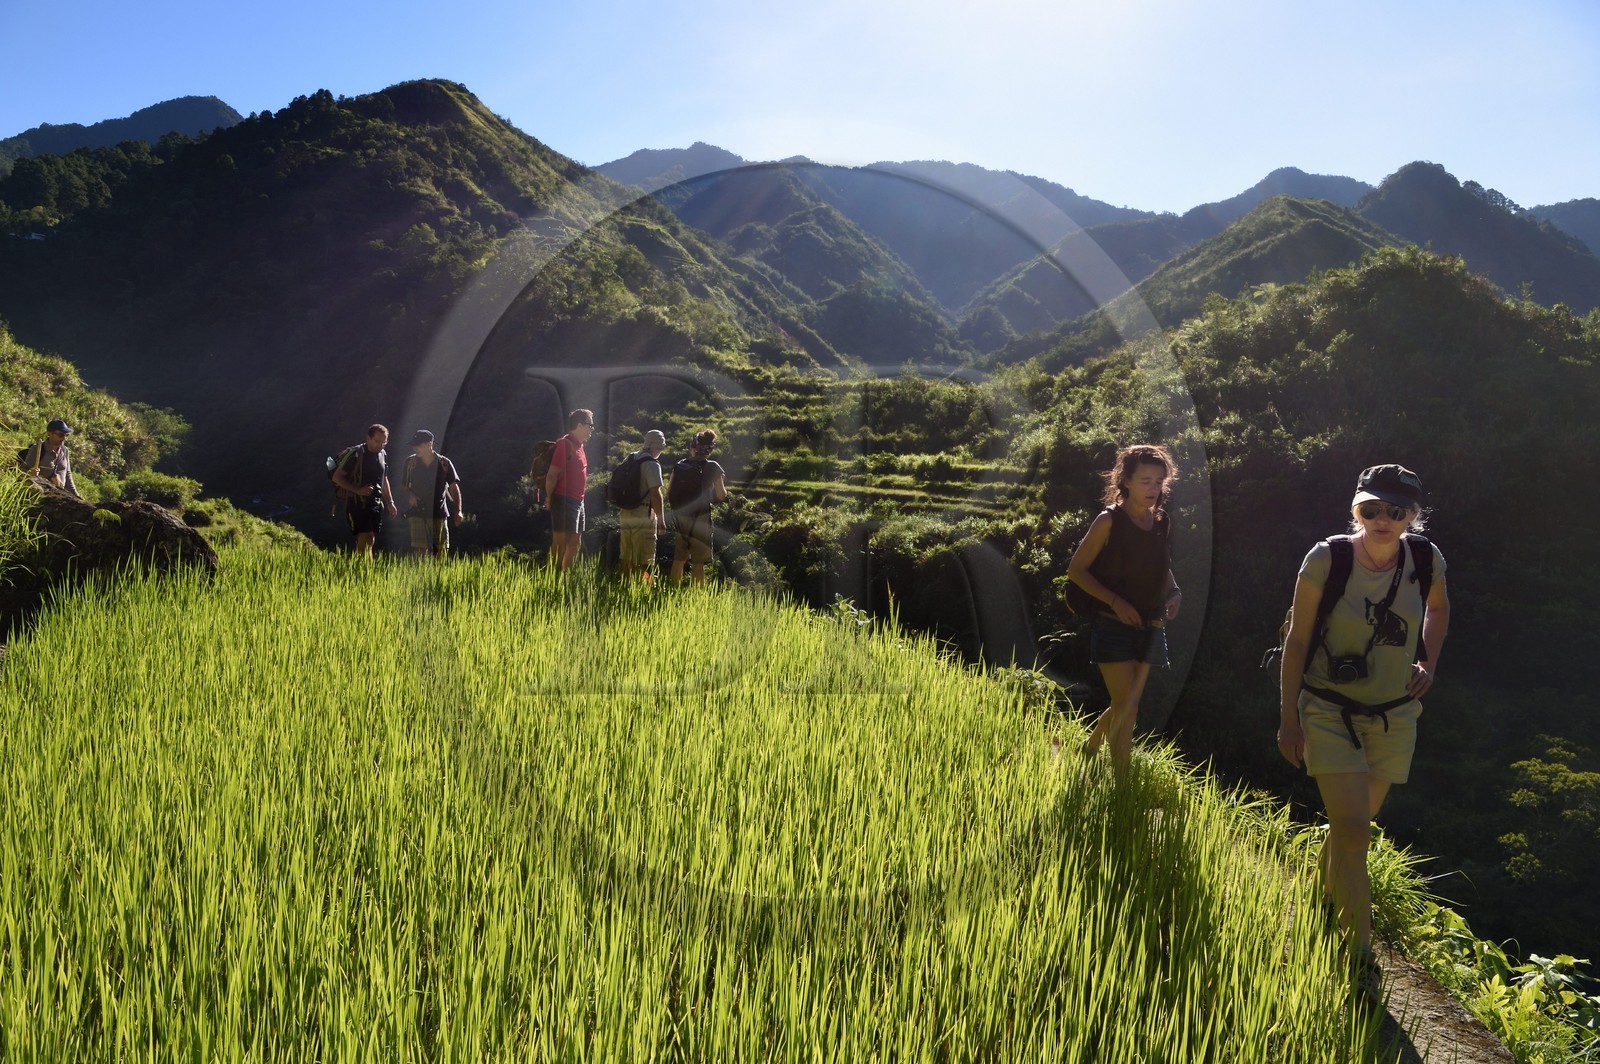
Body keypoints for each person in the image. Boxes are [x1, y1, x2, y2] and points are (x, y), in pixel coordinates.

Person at [1275, 463, 1450, 1006]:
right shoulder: (1327, 559)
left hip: (1395, 713)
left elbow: (1439, 609)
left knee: (1351, 828)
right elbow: (1297, 640)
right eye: (1371, 508)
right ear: (1356, 509)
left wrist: (1428, 662)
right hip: (1329, 708)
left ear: (1412, 516)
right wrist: (1289, 719)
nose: (1382, 519)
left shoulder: (1426, 559)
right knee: (1354, 834)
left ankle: (1319, 903)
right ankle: (1359, 960)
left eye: (1396, 511)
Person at [1065, 444, 1182, 780]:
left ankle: (1090, 748)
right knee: (1128, 708)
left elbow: (1161, 566)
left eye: (1159, 482)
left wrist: (1174, 592)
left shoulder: (1160, 521)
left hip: (1150, 626)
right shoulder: (1108, 521)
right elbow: (1076, 571)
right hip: (1112, 625)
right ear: (1125, 481)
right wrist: (1116, 602)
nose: (1153, 489)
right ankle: (1121, 788)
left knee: (1125, 703)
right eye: (1146, 481)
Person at [667, 429, 727, 586]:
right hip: (701, 518)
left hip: (681, 517)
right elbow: (721, 496)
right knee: (698, 562)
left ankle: (672, 590)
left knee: (679, 559)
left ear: (694, 447)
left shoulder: (680, 465)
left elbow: (668, 492)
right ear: (710, 449)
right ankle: (697, 595)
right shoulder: (713, 466)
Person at [331, 423, 398, 559]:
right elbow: (337, 477)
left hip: (375, 502)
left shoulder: (382, 454)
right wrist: (358, 490)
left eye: (384, 442)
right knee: (366, 537)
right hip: (356, 502)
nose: (380, 445)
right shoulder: (356, 455)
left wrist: (390, 502)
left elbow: (384, 479)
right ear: (368, 438)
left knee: (370, 539)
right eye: (377, 441)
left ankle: (363, 568)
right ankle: (363, 568)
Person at [400, 429, 463, 559]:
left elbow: (454, 487)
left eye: (418, 444)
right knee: (419, 551)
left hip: (439, 512)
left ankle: (439, 573)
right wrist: (411, 496)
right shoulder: (410, 462)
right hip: (417, 512)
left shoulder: (444, 463)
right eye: (413, 445)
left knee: (441, 551)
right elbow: (404, 486)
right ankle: (422, 572)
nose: (414, 448)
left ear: (429, 444)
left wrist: (458, 511)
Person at [544, 409, 594, 571]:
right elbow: (552, 475)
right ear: (579, 425)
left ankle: (566, 577)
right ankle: (552, 578)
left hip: (579, 501)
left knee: (575, 543)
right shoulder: (565, 444)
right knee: (560, 543)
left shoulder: (580, 446)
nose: (592, 429)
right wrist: (549, 498)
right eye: (590, 425)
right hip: (563, 499)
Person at [617, 429, 666, 582]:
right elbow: (655, 495)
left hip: (625, 512)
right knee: (644, 556)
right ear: (657, 447)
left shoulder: (631, 458)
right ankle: (640, 588)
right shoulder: (652, 464)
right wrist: (661, 521)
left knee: (626, 554)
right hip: (643, 514)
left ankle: (625, 584)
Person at [17, 418, 80, 497]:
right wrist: (30, 474)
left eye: (66, 435)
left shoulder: (65, 451)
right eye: (61, 435)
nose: (64, 438)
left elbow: (68, 476)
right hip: (41, 497)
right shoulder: (38, 449)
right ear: (49, 433)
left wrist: (77, 497)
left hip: (59, 497)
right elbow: (22, 473)